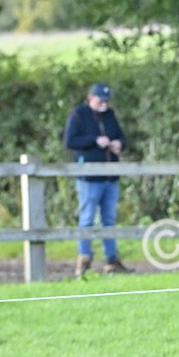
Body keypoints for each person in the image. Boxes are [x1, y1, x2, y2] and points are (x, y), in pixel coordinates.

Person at [63, 82, 130, 277]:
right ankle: (84, 259)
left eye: (106, 100)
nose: (104, 103)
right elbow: (70, 141)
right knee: (87, 219)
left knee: (109, 219)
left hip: (110, 176)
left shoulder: (110, 115)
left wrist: (118, 144)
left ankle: (111, 260)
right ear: (90, 97)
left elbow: (121, 137)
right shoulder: (79, 115)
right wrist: (94, 140)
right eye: (101, 99)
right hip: (89, 178)